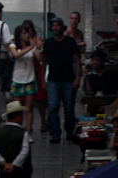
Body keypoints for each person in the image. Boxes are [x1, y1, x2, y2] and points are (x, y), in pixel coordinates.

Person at [36, 16, 81, 144]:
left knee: (69, 108)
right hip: (53, 81)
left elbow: (77, 59)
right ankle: (54, 133)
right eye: (53, 25)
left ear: (62, 27)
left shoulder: (70, 42)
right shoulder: (48, 43)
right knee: (52, 107)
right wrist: (43, 80)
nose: (55, 27)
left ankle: (69, 131)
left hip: (68, 80)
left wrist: (77, 77)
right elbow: (44, 61)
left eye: (58, 25)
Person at [9, 25, 38, 136]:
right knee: (17, 107)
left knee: (28, 107)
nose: (27, 35)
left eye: (28, 33)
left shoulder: (32, 47)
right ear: (19, 35)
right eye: (24, 33)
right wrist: (31, 47)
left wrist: (37, 47)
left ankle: (28, 130)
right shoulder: (13, 46)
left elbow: (40, 58)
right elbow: (16, 55)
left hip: (30, 79)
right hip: (17, 79)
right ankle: (17, 130)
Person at [0, 100, 32, 178]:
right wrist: (14, 164)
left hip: (4, 171)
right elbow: (24, 152)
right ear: (18, 117)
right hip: (22, 172)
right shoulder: (23, 133)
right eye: (22, 116)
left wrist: (4, 163)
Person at [22, 20, 48, 132]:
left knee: (40, 99)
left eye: (30, 28)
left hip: (36, 71)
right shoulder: (21, 41)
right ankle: (28, 124)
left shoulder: (36, 40)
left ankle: (43, 121)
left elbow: (41, 58)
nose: (28, 31)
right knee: (26, 101)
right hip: (24, 72)